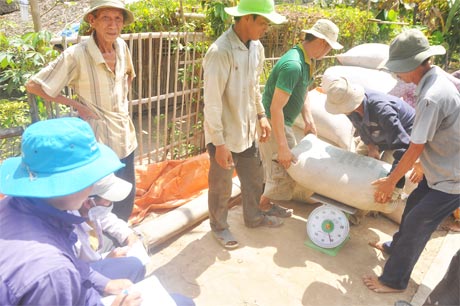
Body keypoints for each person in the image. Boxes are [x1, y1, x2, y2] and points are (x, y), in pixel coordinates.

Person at [0, 117, 141, 305]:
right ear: (76, 184)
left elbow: (73, 260)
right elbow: (58, 275)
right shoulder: (52, 272)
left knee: (133, 266)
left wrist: (104, 283)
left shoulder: (15, 204)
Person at [362, 29, 460, 293]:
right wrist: (421, 166)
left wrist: (391, 182)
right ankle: (395, 248)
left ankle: (393, 281)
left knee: (418, 223)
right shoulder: (434, 77)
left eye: (399, 70)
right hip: (440, 166)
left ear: (413, 66)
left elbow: (415, 147)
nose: (398, 75)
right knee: (412, 208)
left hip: (453, 177)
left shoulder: (431, 96)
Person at [25, 0, 137, 222]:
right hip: (98, 142)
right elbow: (33, 85)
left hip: (126, 136)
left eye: (118, 19)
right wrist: (77, 105)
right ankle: (99, 246)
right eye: (106, 18)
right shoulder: (76, 55)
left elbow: (128, 77)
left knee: (126, 192)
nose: (113, 25)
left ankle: (122, 234)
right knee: (99, 201)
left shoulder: (122, 47)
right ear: (92, 21)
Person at [203, 0, 286, 249]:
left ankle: (254, 216)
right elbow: (212, 102)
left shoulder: (256, 48)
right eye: (262, 22)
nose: (265, 29)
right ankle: (219, 227)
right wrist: (218, 143)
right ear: (246, 18)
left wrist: (261, 115)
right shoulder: (220, 51)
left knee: (254, 178)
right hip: (224, 136)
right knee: (221, 186)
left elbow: (253, 87)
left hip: (247, 129)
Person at [258, 19, 343, 214]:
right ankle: (262, 207)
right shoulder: (294, 65)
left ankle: (267, 203)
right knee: (283, 165)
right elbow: (275, 108)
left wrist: (308, 119)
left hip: (283, 121)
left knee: (285, 166)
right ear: (322, 42)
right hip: (272, 121)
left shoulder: (306, 62)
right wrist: (282, 146)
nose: (327, 53)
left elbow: (303, 90)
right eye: (329, 48)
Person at [324, 77, 415, 223]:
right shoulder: (350, 109)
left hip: (402, 135)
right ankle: (347, 205)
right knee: (355, 167)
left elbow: (403, 148)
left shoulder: (383, 110)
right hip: (377, 134)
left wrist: (392, 181)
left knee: (379, 177)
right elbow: (361, 127)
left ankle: (356, 215)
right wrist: (371, 147)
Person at [71, 174, 148, 284]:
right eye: (108, 200)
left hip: (94, 253)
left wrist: (128, 236)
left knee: (123, 243)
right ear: (88, 202)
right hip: (83, 273)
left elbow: (109, 220)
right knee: (134, 266)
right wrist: (106, 261)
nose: (111, 204)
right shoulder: (71, 235)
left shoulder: (90, 210)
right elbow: (77, 273)